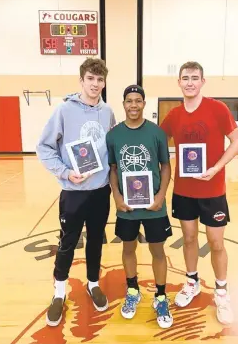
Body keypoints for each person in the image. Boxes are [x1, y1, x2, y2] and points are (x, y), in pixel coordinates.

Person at [160, 61, 238, 325]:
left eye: (195, 78)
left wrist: (217, 168)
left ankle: (221, 292)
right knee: (188, 238)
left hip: (212, 191)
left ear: (202, 82)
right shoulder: (173, 116)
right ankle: (191, 282)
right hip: (184, 191)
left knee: (216, 243)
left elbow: (237, 140)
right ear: (179, 82)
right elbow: (157, 141)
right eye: (185, 78)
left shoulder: (217, 108)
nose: (190, 82)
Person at [36, 58, 116, 326]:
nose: (95, 84)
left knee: (95, 240)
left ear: (104, 82)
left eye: (100, 80)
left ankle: (93, 283)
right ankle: (59, 293)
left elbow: (112, 148)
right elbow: (44, 148)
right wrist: (65, 172)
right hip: (73, 191)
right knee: (67, 243)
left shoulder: (108, 113)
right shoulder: (64, 111)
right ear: (81, 80)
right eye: (90, 79)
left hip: (100, 191)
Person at [106, 85, 173, 329]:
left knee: (158, 251)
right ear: (123, 104)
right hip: (127, 207)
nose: (133, 105)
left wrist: (161, 195)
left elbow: (166, 166)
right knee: (128, 249)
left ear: (144, 103)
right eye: (129, 101)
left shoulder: (156, 133)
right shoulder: (113, 135)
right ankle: (133, 290)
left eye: (138, 101)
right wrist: (117, 197)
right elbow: (113, 169)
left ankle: (161, 296)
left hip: (154, 206)